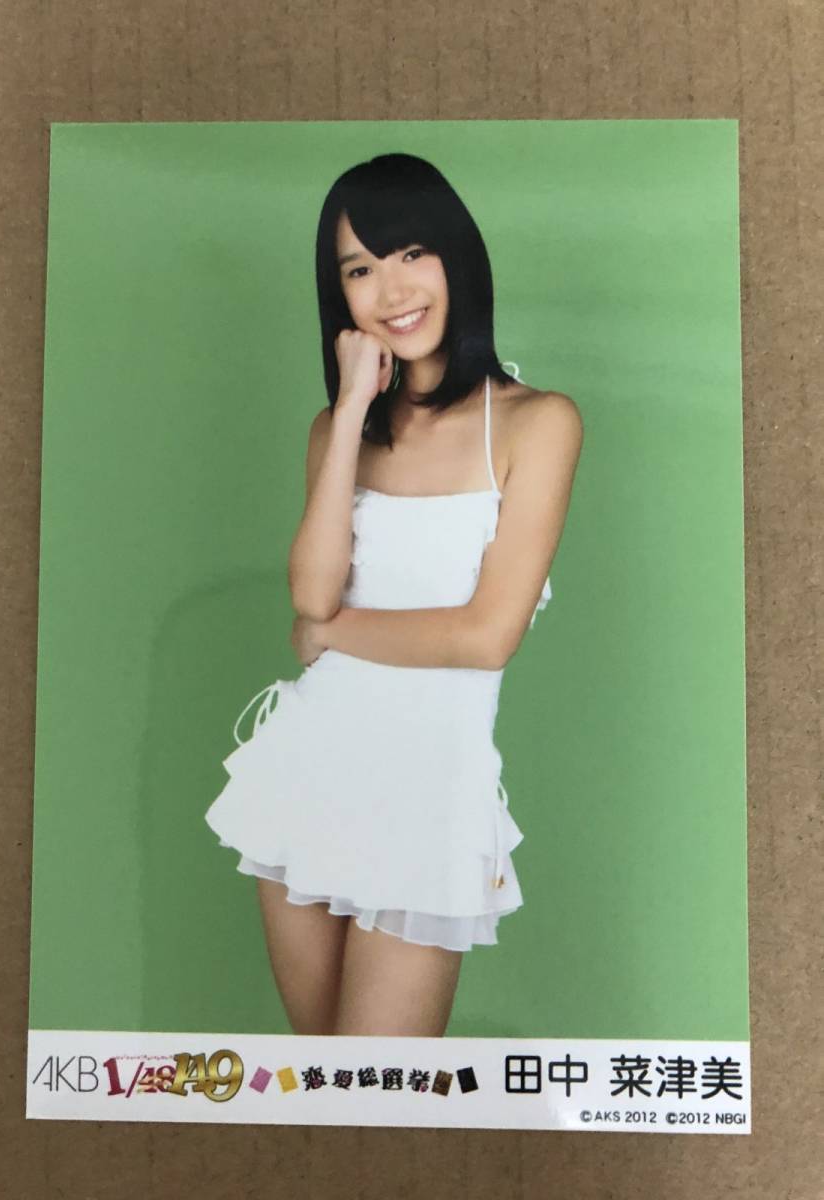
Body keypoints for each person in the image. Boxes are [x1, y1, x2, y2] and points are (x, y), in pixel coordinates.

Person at [205, 152, 583, 1037]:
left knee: (379, 1092)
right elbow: (311, 592)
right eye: (360, 269)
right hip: (309, 772)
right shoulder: (337, 431)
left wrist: (334, 635)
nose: (391, 289)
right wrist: (348, 413)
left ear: (457, 259)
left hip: (431, 792)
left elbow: (487, 636)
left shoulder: (538, 423)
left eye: (412, 253)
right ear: (339, 296)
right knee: (321, 1087)